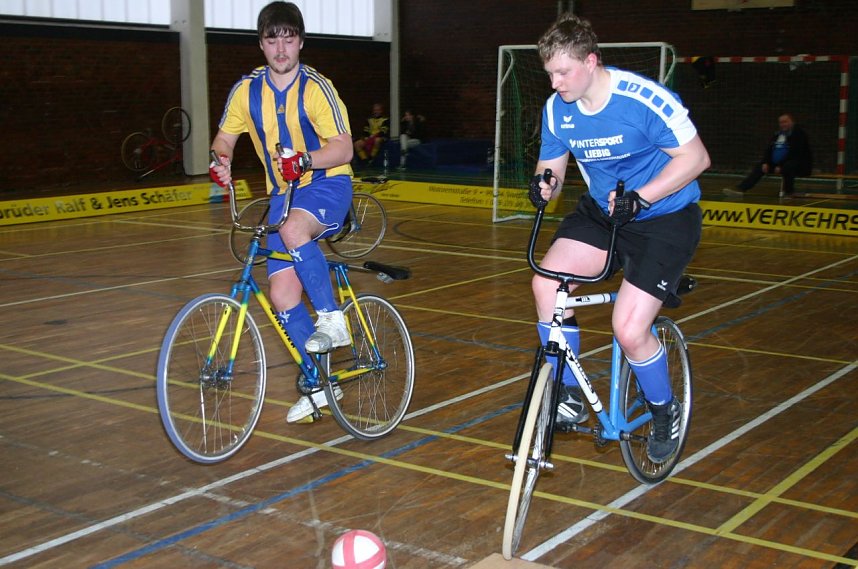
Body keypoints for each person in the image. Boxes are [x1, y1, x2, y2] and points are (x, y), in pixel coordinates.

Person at [529, 13, 710, 463]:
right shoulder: (557, 110)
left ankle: (663, 409)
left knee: (629, 330)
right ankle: (568, 393)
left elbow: (696, 158)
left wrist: (642, 198)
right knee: (547, 285)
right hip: (603, 213)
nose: (555, 83)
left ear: (591, 61)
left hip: (664, 216)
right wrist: (545, 183)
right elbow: (552, 166)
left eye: (563, 72)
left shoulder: (643, 100)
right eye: (549, 73)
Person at [209, 1, 354, 423]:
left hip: (328, 184)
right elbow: (224, 139)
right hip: (282, 196)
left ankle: (333, 319)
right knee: (282, 296)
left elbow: (344, 147)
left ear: (300, 42)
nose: (280, 49)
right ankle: (321, 383)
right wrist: (220, 161)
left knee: (292, 230)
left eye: (288, 39)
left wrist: (305, 160)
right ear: (261, 44)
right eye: (272, 40)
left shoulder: (316, 87)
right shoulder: (246, 91)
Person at [723, 113, 812, 198]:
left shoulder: (799, 134)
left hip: (798, 165)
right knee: (760, 167)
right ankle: (741, 188)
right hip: (778, 165)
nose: (783, 124)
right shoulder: (778, 134)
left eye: (785, 122)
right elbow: (769, 150)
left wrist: (780, 165)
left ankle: (789, 191)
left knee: (789, 166)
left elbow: (795, 153)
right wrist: (765, 162)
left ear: (792, 122)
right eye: (781, 122)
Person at [353, 103, 389, 167]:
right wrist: (366, 137)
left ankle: (371, 158)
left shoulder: (385, 120)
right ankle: (365, 160)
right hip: (369, 138)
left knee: (377, 140)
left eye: (378, 110)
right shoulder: (369, 120)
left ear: (381, 111)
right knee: (357, 144)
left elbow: (384, 131)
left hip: (380, 137)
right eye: (375, 110)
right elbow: (365, 130)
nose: (376, 112)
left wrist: (374, 136)